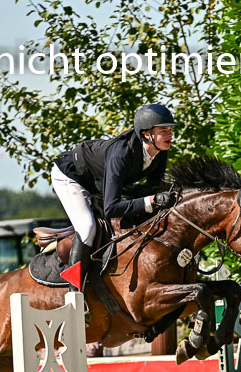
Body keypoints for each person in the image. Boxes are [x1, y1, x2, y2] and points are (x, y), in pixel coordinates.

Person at [51, 103, 178, 293]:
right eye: (163, 130)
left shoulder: (159, 152)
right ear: (146, 134)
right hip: (72, 176)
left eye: (170, 129)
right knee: (87, 227)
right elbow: (112, 208)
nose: (170, 135)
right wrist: (151, 201)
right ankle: (75, 291)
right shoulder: (122, 154)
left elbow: (153, 187)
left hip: (99, 181)